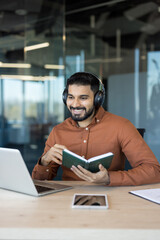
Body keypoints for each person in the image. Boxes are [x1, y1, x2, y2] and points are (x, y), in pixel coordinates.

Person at [32, 72, 160, 186]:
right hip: (67, 198)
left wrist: (109, 178)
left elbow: (154, 171)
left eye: (83, 98)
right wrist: (44, 161)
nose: (75, 104)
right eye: (71, 97)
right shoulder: (58, 131)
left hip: (111, 198)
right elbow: (38, 182)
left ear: (98, 99)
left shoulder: (121, 126)